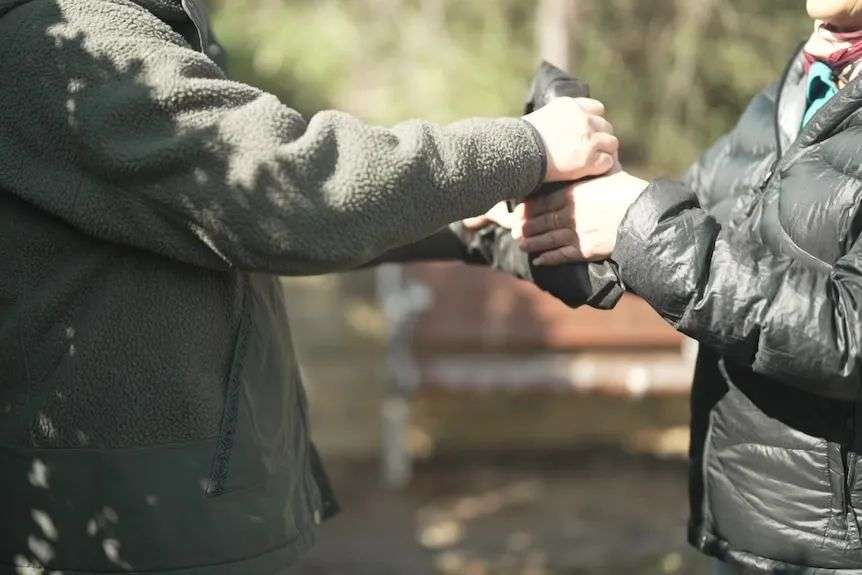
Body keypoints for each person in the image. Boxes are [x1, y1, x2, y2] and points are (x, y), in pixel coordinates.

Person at [0, 0, 620, 573]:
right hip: (143, 535)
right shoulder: (67, 42)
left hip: (180, 522)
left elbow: (237, 227)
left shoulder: (128, 32)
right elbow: (288, 191)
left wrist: (468, 227)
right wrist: (531, 145)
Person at [509, 0, 862, 572]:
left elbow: (851, 334)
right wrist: (509, 218)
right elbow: (694, 228)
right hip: (746, 534)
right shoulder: (798, 85)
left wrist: (640, 226)